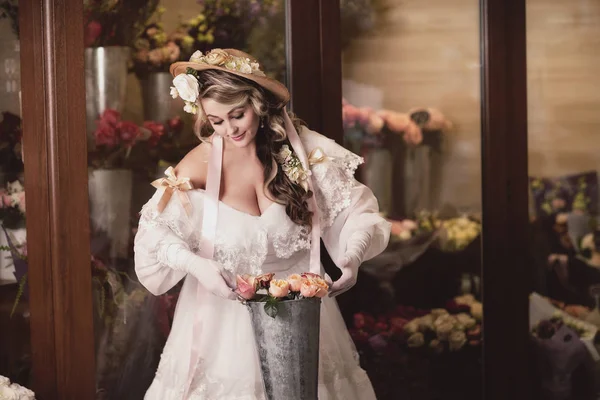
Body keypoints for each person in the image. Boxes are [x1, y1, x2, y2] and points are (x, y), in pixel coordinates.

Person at [134, 48, 391, 399]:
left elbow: (359, 212)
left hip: (302, 319)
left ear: (257, 103)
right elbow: (152, 236)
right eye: (216, 121)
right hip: (220, 330)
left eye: (237, 115)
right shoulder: (197, 165)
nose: (229, 129)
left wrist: (354, 256)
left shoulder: (303, 152)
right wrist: (197, 265)